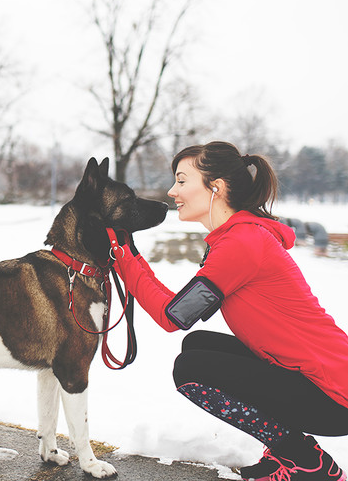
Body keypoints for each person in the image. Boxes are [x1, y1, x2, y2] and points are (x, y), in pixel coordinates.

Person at [116, 141, 348, 481]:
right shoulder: (239, 237)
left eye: (182, 180)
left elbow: (172, 316)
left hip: (332, 396)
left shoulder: (242, 244)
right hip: (316, 381)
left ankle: (305, 462)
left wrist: (122, 257)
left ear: (216, 188)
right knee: (198, 345)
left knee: (191, 369)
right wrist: (129, 256)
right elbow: (182, 311)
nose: (172, 191)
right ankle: (293, 454)